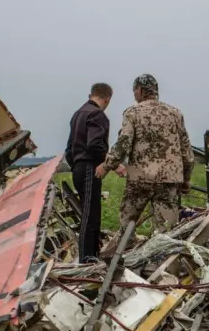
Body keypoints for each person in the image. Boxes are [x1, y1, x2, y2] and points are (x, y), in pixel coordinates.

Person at [97, 74, 194, 252]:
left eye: (134, 90)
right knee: (167, 233)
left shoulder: (132, 113)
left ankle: (123, 263)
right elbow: (186, 151)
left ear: (140, 90)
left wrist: (107, 165)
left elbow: (123, 144)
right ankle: (163, 269)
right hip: (169, 180)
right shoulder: (175, 113)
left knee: (127, 227)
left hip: (139, 179)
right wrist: (186, 179)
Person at [65, 83, 113, 262]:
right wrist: (111, 164)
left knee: (89, 210)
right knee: (90, 214)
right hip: (89, 166)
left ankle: (92, 254)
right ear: (107, 98)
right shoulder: (97, 114)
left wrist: (75, 164)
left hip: (77, 165)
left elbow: (69, 148)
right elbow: (95, 144)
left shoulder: (78, 114)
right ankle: (87, 256)